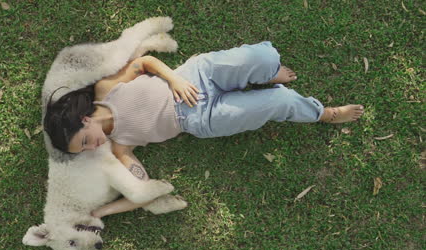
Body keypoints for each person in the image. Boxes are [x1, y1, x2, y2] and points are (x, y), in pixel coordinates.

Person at [44, 41, 364, 217]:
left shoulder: (104, 90)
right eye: (84, 150)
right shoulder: (120, 146)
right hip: (203, 118)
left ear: (84, 120)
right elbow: (142, 192)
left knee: (265, 57)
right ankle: (324, 114)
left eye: (84, 141)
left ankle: (263, 73)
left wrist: (174, 79)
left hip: (195, 75)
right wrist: (102, 213)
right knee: (278, 102)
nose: (91, 148)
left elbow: (144, 63)